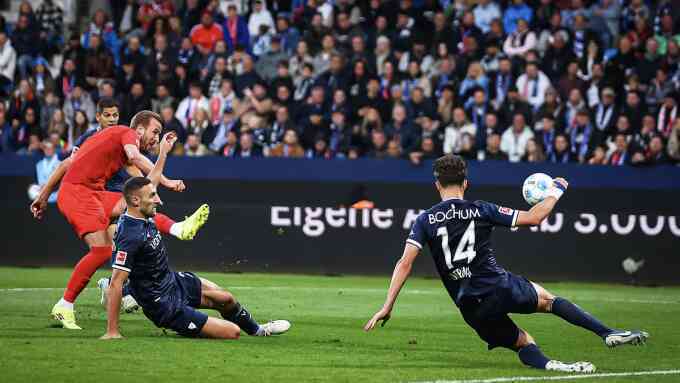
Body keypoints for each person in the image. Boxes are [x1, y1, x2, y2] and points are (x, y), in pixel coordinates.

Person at [364, 155, 649, 372]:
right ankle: (608, 333)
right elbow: (535, 217)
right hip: (498, 286)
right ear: (466, 183)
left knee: (523, 342)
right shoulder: (482, 209)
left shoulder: (424, 219)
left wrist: (388, 305)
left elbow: (404, 263)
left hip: (469, 306)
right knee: (548, 301)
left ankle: (553, 367)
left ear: (437, 184)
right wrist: (556, 191)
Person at [29, 111, 201, 330]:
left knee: (137, 204)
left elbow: (144, 182)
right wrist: (167, 182)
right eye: (155, 132)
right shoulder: (128, 135)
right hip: (78, 194)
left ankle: (178, 227)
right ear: (139, 129)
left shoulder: (116, 147)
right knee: (101, 250)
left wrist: (42, 197)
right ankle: (65, 305)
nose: (156, 139)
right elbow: (137, 157)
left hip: (95, 194)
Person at [100, 176, 291, 340]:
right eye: (152, 196)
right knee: (232, 332)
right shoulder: (129, 234)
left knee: (226, 298)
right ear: (135, 201)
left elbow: (151, 180)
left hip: (172, 281)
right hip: (163, 305)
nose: (158, 200)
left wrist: (163, 153)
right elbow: (116, 282)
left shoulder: (143, 214)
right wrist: (112, 331)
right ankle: (185, 326)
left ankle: (259, 331)